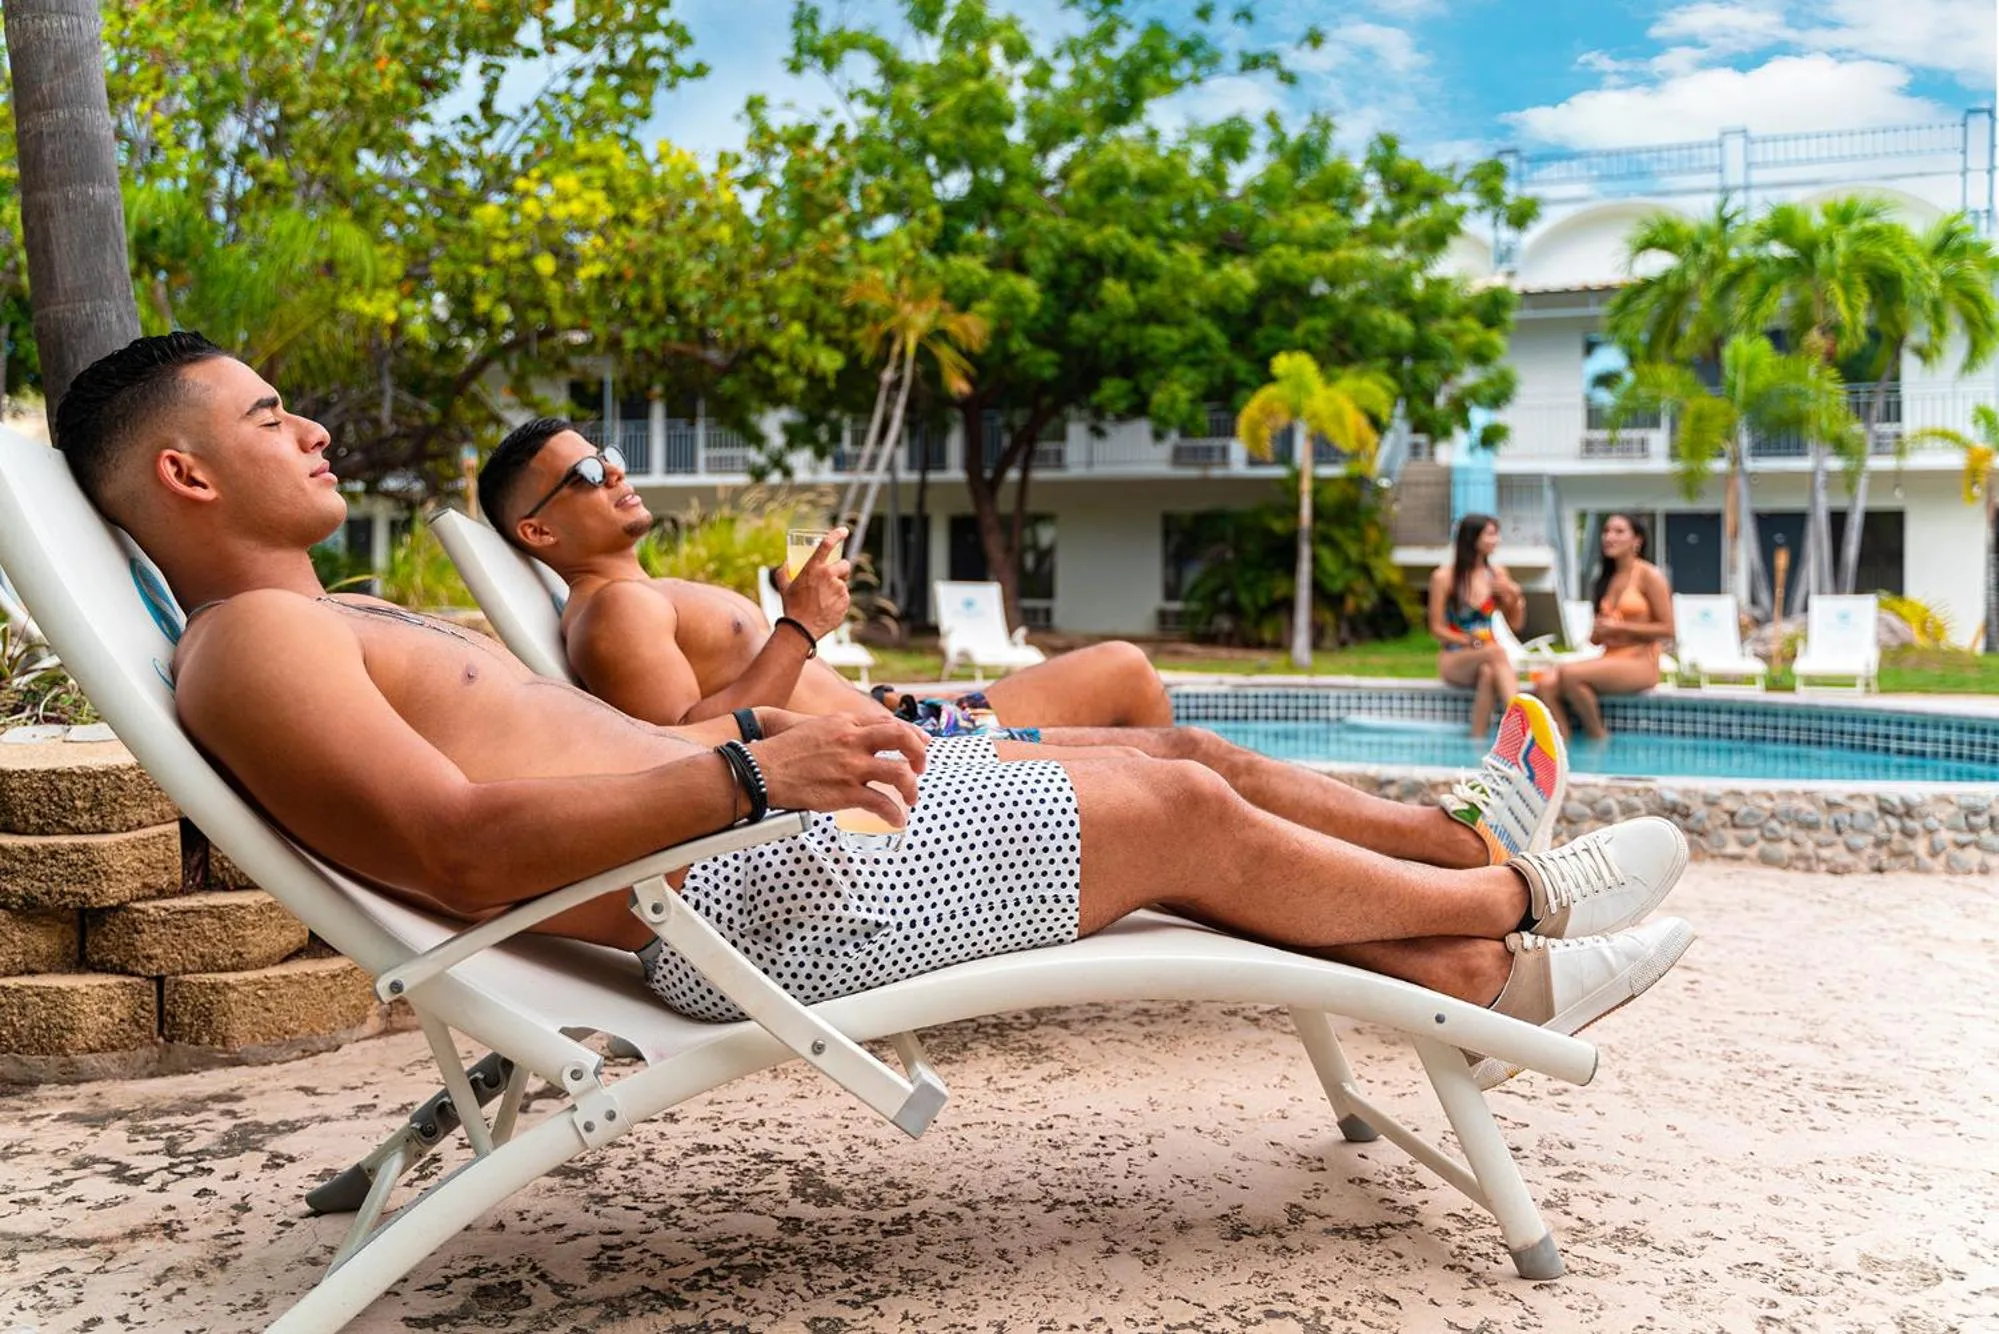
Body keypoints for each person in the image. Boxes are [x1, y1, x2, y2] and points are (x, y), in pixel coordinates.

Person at [52, 333, 1693, 1068]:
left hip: (760, 841)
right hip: (749, 905)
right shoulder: (251, 647)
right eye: (275, 417)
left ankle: (1491, 964)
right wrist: (760, 779)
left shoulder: (312, 617)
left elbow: (578, 762)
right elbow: (468, 847)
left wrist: (764, 737)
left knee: (1169, 761)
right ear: (187, 468)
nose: (316, 431)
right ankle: (1509, 897)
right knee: (1181, 804)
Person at [480, 418, 1561, 868]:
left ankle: (1305, 870)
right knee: (1186, 761)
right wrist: (801, 625)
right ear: (538, 530)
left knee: (1133, 676)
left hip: (913, 726)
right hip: (913, 773)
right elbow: (684, 747)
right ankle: (1440, 838)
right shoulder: (613, 610)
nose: (614, 472)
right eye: (585, 475)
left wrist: (811, 644)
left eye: (609, 454)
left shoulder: (644, 590)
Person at [1541, 513, 1674, 741]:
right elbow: (1596, 639)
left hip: (1640, 661)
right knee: (1545, 683)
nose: (1609, 537)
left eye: (1619, 531)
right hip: (1610, 657)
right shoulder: (1606, 578)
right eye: (1606, 531)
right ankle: (1563, 745)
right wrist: (1600, 631)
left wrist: (1620, 628)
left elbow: (1668, 630)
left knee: (1568, 675)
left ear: (1637, 540)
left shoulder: (1649, 575)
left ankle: (1598, 736)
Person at [1429, 513, 1527, 738]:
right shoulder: (1444, 577)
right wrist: (1468, 640)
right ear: (1472, 538)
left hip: (1489, 657)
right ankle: (1523, 726)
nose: (1496, 540)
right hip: (1455, 658)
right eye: (1491, 534)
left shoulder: (1497, 574)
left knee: (1488, 673)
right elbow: (1436, 628)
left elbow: (1516, 624)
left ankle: (1478, 741)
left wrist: (1515, 596)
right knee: (1496, 653)